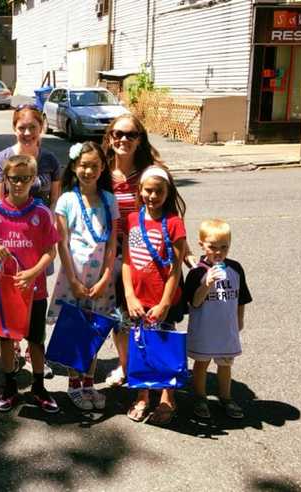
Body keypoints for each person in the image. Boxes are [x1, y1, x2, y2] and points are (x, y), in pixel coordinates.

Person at [101, 114, 195, 387]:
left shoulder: (152, 172)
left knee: (153, 316)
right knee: (121, 316)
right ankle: (126, 365)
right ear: (110, 137)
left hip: (147, 255)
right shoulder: (103, 173)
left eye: (131, 134)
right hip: (112, 254)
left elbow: (171, 215)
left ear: (140, 139)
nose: (124, 140)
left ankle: (158, 372)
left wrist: (184, 250)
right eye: (118, 133)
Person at [0, 154, 61, 413]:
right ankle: (9, 385)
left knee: (35, 340)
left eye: (25, 178)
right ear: (5, 178)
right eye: (14, 178)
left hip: (34, 290)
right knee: (6, 339)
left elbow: (51, 251)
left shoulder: (41, 213)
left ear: (33, 180)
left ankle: (38, 386)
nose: (19, 184)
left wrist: (33, 273)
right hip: (4, 289)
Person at [0, 104, 61, 377]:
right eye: (22, 127)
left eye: (33, 127)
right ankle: (14, 347)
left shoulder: (50, 160)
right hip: (10, 242)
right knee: (12, 296)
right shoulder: (2, 159)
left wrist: (47, 231)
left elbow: (54, 200)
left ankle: (33, 350)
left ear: (41, 128)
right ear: (14, 128)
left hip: (39, 241)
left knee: (35, 297)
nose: (27, 132)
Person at [47, 142, 119, 410]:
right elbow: (62, 244)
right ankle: (74, 384)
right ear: (75, 167)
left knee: (94, 331)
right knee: (74, 330)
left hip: (102, 280)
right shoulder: (66, 200)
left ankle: (89, 382)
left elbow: (112, 243)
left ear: (102, 168)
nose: (89, 170)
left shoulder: (109, 200)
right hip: (73, 278)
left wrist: (105, 277)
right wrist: (74, 282)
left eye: (94, 166)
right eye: (84, 165)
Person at [123, 166, 187, 425]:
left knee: (163, 348)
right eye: (148, 190)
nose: (152, 195)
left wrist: (164, 303)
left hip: (161, 302)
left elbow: (176, 268)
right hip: (137, 300)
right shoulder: (132, 220)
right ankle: (142, 395)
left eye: (158, 191)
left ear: (167, 192)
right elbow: (127, 260)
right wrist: (129, 295)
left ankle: (167, 396)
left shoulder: (174, 223)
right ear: (139, 191)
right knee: (140, 348)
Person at [184, 219, 252, 419]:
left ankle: (226, 397)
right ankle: (200, 397)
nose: (218, 252)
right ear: (202, 245)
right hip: (204, 328)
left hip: (226, 328)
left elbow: (242, 298)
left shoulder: (235, 269)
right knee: (202, 363)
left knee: (225, 364)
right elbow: (195, 303)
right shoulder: (197, 272)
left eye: (224, 247)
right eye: (212, 247)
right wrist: (206, 283)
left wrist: (240, 319)